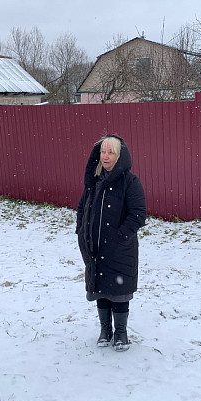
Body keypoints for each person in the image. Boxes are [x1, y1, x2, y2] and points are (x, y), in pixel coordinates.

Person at [76, 134, 147, 351]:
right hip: (95, 247)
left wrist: (120, 236)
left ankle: (121, 333)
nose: (105, 157)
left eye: (111, 152)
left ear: (119, 156)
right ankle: (105, 330)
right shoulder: (94, 181)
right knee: (101, 289)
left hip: (120, 248)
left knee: (119, 290)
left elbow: (138, 214)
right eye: (102, 152)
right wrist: (81, 230)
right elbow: (82, 208)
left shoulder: (130, 182)